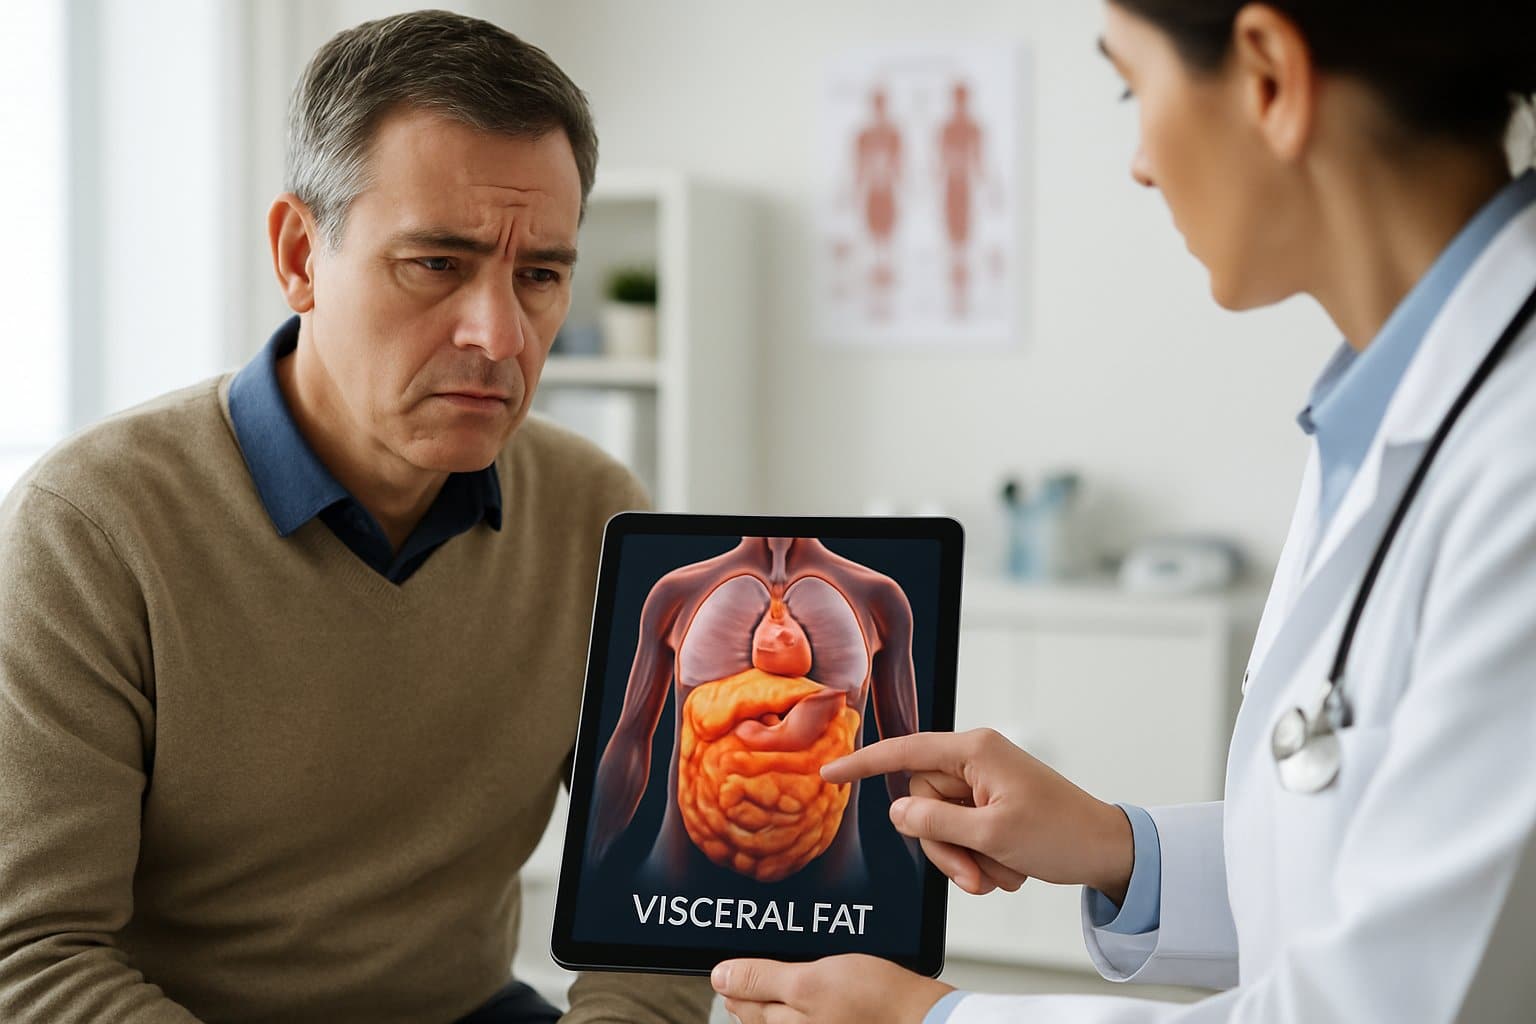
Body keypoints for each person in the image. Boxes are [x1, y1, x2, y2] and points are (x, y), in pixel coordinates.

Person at [712, 2, 1536, 1021]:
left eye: (1130, 88)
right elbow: (1364, 863)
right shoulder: (1387, 415)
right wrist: (1117, 846)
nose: (1141, 164)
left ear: (1269, 79)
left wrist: (931, 1020)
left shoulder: (1512, 457)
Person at [0, 11, 713, 1024]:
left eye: (540, 275)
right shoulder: (88, 529)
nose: (499, 334)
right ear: (300, 254)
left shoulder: (597, 515)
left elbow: (663, 899)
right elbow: (30, 953)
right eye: (437, 264)